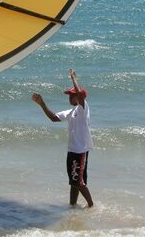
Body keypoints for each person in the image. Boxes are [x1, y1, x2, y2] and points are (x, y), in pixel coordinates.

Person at [31, 68, 94, 208]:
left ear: (79, 98)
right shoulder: (71, 112)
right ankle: (72, 206)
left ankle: (91, 206)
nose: (69, 97)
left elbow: (79, 94)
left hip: (80, 151)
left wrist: (73, 78)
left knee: (79, 182)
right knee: (73, 181)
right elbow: (54, 118)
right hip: (72, 151)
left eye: (71, 95)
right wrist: (42, 104)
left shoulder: (83, 109)